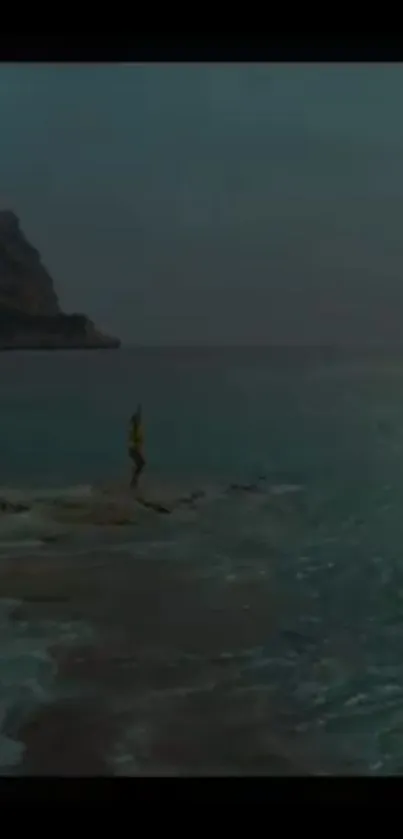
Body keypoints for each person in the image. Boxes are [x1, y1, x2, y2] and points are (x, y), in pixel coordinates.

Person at [128, 404, 146, 488]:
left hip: (134, 449)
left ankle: (134, 481)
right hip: (133, 449)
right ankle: (133, 481)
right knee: (141, 463)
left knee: (140, 464)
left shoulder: (136, 428)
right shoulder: (134, 429)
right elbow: (135, 440)